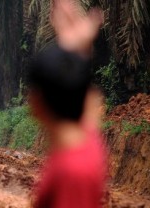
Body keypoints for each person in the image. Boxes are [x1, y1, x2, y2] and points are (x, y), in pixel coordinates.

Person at [28, 0, 107, 207]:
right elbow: (80, 84)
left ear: (36, 105)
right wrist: (79, 46)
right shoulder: (88, 141)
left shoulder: (72, 173)